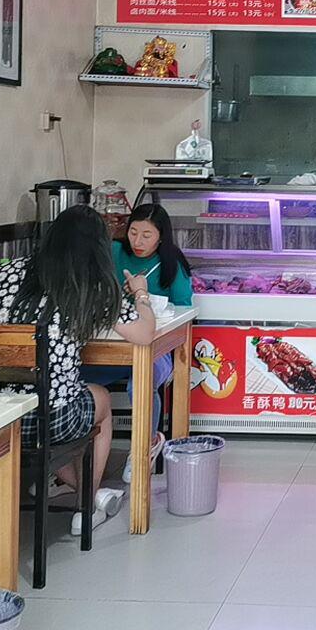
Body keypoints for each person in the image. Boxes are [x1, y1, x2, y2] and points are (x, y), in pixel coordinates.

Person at [0, 205, 155, 534]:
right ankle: (87, 505)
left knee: (66, 398)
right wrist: (141, 294)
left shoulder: (2, 272)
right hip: (47, 419)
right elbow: (144, 333)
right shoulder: (90, 284)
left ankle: (78, 489)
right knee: (99, 400)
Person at [84, 202, 193, 481]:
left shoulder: (172, 263)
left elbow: (184, 307)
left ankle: (145, 446)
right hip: (112, 345)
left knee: (141, 381)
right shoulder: (114, 251)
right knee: (74, 374)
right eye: (133, 232)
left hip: (157, 346)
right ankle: (73, 454)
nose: (138, 241)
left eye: (147, 235)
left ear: (161, 237)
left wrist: (144, 297)